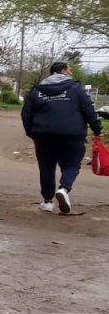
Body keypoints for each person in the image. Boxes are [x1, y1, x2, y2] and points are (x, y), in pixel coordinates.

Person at [21, 62, 103, 213]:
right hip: (72, 135)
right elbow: (89, 110)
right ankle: (64, 189)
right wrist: (97, 130)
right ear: (63, 71)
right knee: (71, 165)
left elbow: (26, 114)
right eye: (69, 70)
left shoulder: (37, 90)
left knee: (46, 167)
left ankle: (47, 202)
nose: (71, 73)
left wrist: (32, 132)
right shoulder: (76, 89)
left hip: (44, 135)